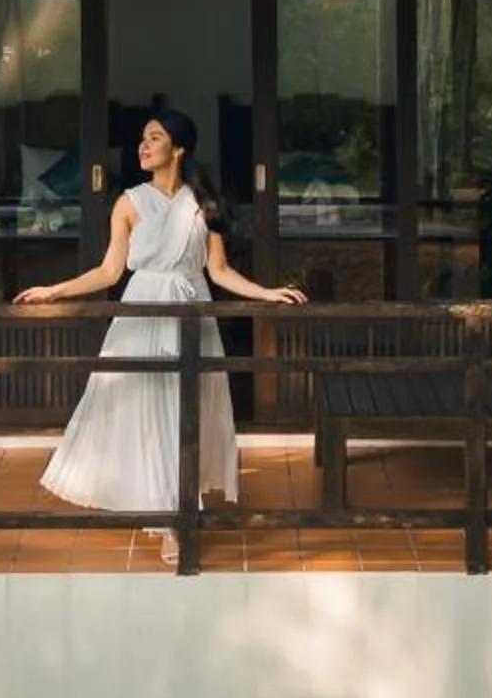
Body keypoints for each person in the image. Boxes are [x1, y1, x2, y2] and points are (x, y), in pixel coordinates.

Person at [16, 108, 305, 562]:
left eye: (154, 138)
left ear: (180, 147)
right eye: (142, 139)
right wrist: (56, 290)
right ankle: (169, 516)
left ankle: (176, 509)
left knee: (183, 410)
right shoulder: (129, 203)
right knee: (149, 411)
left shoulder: (203, 202)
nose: (143, 146)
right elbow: (109, 270)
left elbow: (220, 270)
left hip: (192, 312)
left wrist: (268, 294)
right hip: (142, 313)